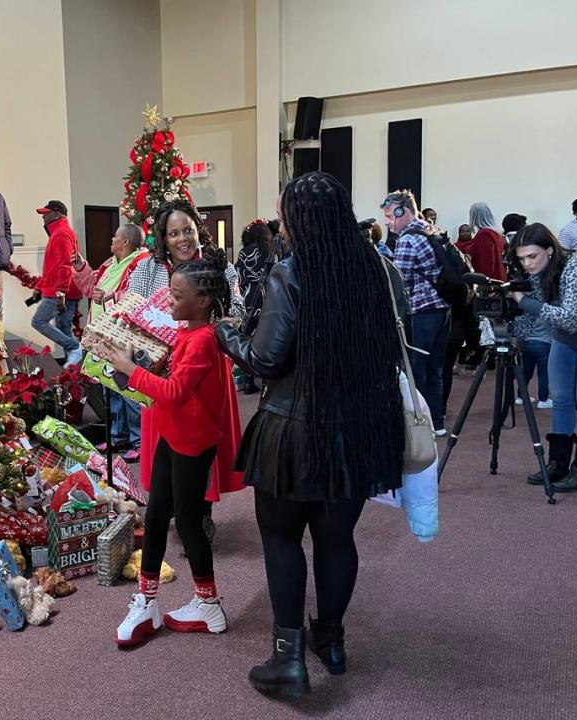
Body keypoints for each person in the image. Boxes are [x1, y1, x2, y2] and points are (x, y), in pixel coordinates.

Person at [218, 172, 405, 696]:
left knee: (281, 538)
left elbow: (265, 359)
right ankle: (332, 640)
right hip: (358, 431)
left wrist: (227, 333)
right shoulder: (378, 269)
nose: (280, 224)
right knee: (336, 538)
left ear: (299, 221)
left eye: (284, 215)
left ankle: (287, 659)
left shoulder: (291, 271)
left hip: (293, 431)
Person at [99, 247, 244, 647]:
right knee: (158, 514)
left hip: (192, 442)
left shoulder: (203, 341)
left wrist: (132, 370)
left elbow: (177, 391)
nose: (170, 302)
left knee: (189, 521)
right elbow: (170, 382)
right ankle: (146, 600)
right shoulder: (186, 334)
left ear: (203, 302)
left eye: (177, 298)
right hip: (170, 435)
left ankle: (208, 601)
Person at [126, 199, 245, 542]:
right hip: (160, 370)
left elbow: (237, 313)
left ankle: (201, 512)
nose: (182, 239)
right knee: (165, 443)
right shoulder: (147, 270)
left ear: (198, 229)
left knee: (201, 442)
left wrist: (205, 327)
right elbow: (131, 311)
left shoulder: (220, 267)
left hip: (206, 368)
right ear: (162, 237)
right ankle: (172, 509)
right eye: (174, 233)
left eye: (188, 231)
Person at [512, 223, 577, 492]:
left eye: (532, 256)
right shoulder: (539, 272)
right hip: (563, 338)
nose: (527, 263)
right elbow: (533, 316)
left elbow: (570, 317)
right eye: (522, 258)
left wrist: (523, 301)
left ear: (549, 250)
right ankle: (557, 464)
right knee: (560, 400)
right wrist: (505, 325)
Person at [385, 189, 449, 435]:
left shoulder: (408, 239)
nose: (388, 223)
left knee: (415, 369)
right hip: (442, 308)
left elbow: (398, 281)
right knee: (435, 369)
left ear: (405, 212)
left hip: (422, 311)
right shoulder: (431, 229)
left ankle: (420, 423)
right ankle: (438, 422)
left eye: (391, 216)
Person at [91, 224, 148, 461]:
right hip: (105, 331)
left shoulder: (141, 263)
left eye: (115, 236)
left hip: (124, 334)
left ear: (125, 242)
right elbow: (92, 284)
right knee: (109, 385)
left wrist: (110, 296)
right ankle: (118, 435)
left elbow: (140, 297)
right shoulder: (110, 263)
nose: (111, 240)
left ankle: (138, 440)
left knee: (127, 388)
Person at [30, 201, 83, 367]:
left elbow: (64, 264)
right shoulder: (59, 233)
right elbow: (52, 267)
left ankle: (75, 347)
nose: (43, 217)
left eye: (46, 213)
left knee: (38, 321)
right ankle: (74, 368)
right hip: (66, 290)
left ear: (57, 214)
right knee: (63, 327)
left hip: (59, 291)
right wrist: (39, 287)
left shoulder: (61, 234)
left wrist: (60, 291)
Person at [236, 219, 275, 394]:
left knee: (247, 336)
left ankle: (248, 380)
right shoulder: (270, 252)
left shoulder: (244, 252)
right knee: (266, 336)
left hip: (249, 296)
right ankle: (267, 380)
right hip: (268, 295)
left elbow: (240, 277)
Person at [457, 202, 506, 281]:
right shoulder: (496, 232)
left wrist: (483, 281)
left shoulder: (484, 234)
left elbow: (487, 262)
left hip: (490, 280)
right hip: (499, 275)